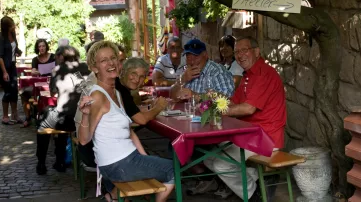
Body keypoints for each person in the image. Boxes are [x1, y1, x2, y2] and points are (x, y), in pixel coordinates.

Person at [78, 41, 174, 202]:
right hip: (118, 164)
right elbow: (83, 139)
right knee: (173, 169)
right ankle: (114, 195)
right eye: (103, 60)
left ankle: (112, 196)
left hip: (124, 160)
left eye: (113, 58)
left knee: (156, 166)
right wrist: (86, 115)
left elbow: (128, 131)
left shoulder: (116, 92)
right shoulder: (98, 96)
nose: (111, 63)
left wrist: (144, 156)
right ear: (94, 68)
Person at [196, 36, 286, 201]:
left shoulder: (263, 74)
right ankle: (258, 182)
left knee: (221, 164)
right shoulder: (248, 75)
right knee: (208, 157)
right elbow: (233, 103)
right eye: (237, 51)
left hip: (266, 138)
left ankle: (254, 197)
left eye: (244, 50)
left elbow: (247, 108)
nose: (239, 55)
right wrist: (215, 99)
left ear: (257, 52)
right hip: (249, 135)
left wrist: (218, 111)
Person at [36, 46, 90, 175]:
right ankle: (59, 160)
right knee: (59, 115)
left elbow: (53, 92)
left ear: (61, 57)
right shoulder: (87, 67)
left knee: (44, 124)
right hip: (86, 118)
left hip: (67, 119)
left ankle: (42, 163)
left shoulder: (58, 69)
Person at [0, 16, 23, 125]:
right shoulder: (1, 38)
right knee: (7, 91)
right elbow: (0, 56)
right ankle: (5, 116)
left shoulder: (13, 34)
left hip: (12, 65)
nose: (14, 27)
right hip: (3, 67)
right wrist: (4, 72)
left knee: (14, 90)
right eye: (11, 25)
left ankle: (15, 115)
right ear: (6, 27)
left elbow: (14, 48)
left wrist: (18, 51)